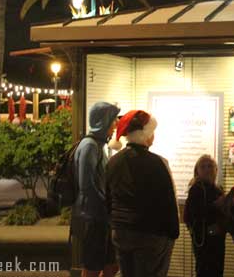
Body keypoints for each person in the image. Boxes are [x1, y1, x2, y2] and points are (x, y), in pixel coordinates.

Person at [106, 110, 179, 277]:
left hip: (121, 230)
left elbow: (107, 198)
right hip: (150, 233)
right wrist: (173, 232)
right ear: (146, 135)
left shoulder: (113, 162)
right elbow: (167, 200)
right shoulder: (158, 163)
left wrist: (114, 223)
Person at [71, 101, 120, 277]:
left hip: (101, 217)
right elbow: (87, 186)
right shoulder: (90, 146)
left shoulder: (98, 146)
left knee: (111, 264)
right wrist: (107, 206)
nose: (115, 125)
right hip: (93, 218)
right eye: (113, 120)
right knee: (93, 266)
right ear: (103, 121)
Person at [184, 155, 226, 277]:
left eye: (210, 166)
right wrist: (216, 205)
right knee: (205, 270)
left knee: (217, 270)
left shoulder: (218, 189)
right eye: (203, 167)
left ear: (216, 169)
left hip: (217, 238)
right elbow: (194, 214)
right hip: (203, 240)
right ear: (197, 171)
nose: (207, 169)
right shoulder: (196, 189)